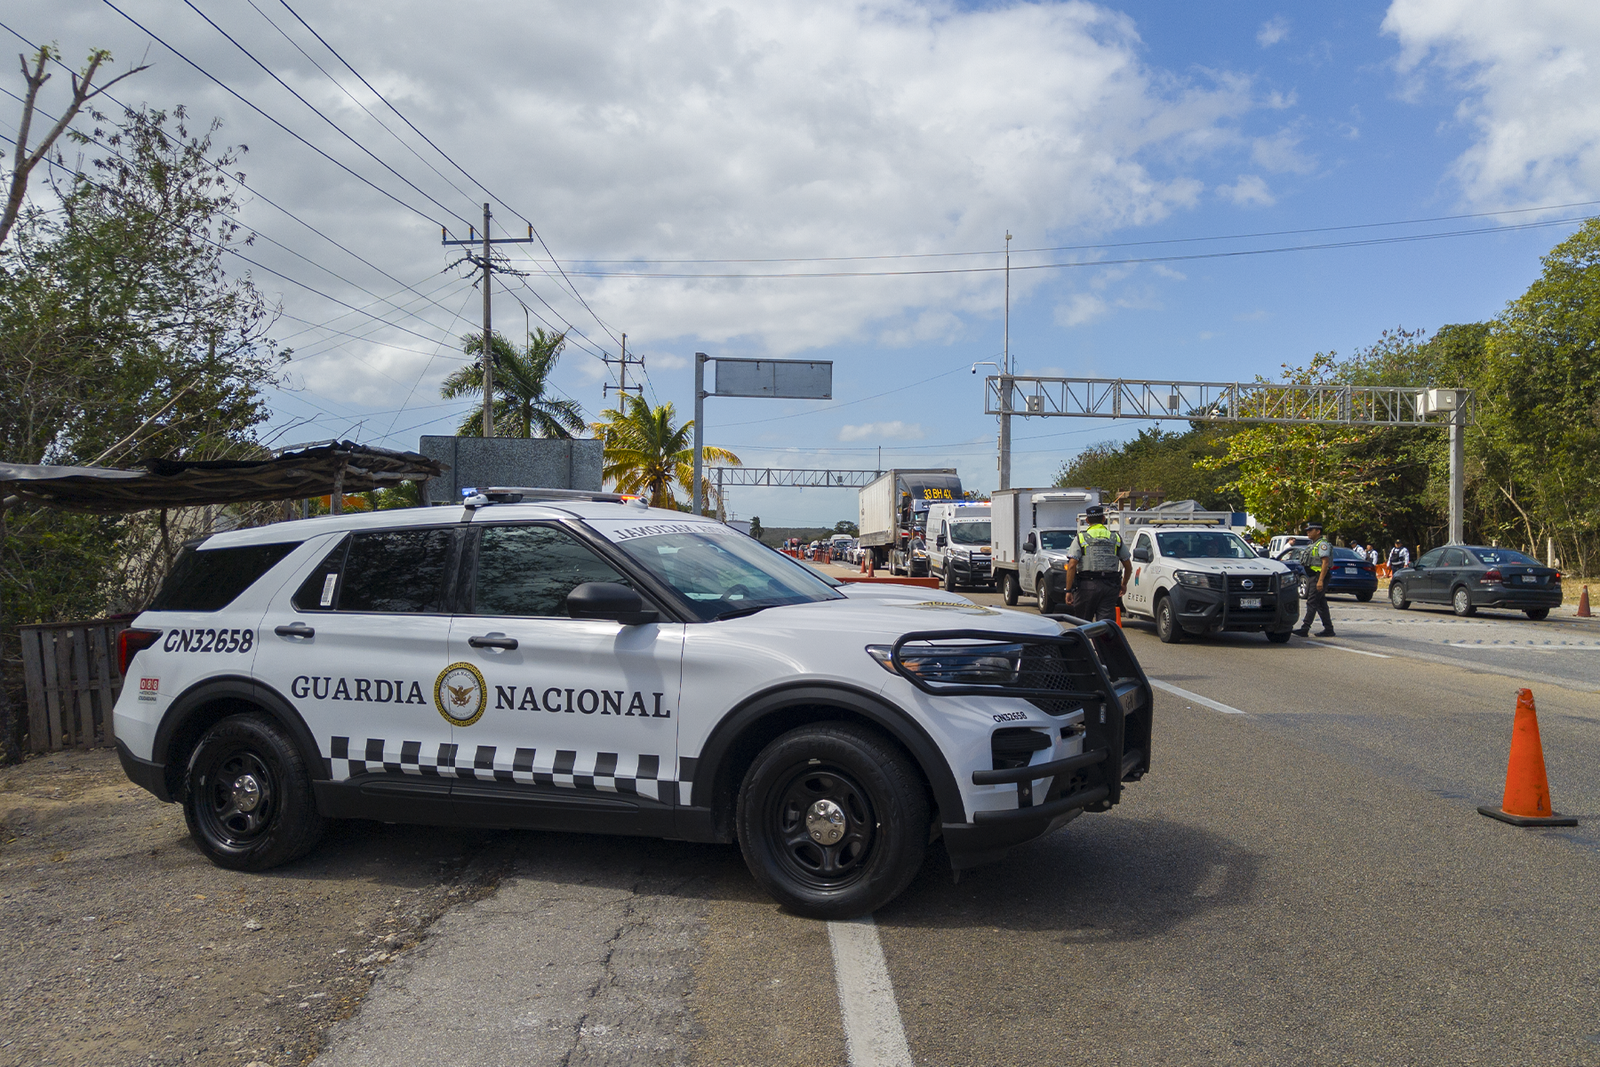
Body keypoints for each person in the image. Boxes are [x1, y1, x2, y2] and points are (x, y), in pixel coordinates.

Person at [1063, 504, 1132, 622]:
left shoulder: (1081, 538)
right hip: (1110, 586)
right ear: (1103, 519)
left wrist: (1068, 590)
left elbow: (1072, 565)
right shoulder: (1115, 537)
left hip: (1086, 587)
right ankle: (1102, 640)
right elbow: (1128, 565)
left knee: (1083, 624)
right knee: (1105, 626)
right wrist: (1124, 584)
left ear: (1087, 520)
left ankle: (1084, 640)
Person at [1294, 520, 1335, 637]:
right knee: (1321, 604)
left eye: (1310, 530)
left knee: (1312, 602)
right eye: (1307, 530)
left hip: (1318, 577)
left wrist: (1321, 580)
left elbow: (1325, 562)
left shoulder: (1322, 544)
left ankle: (1305, 628)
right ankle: (1329, 629)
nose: (1308, 532)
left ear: (1318, 531)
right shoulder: (1313, 544)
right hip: (1313, 576)